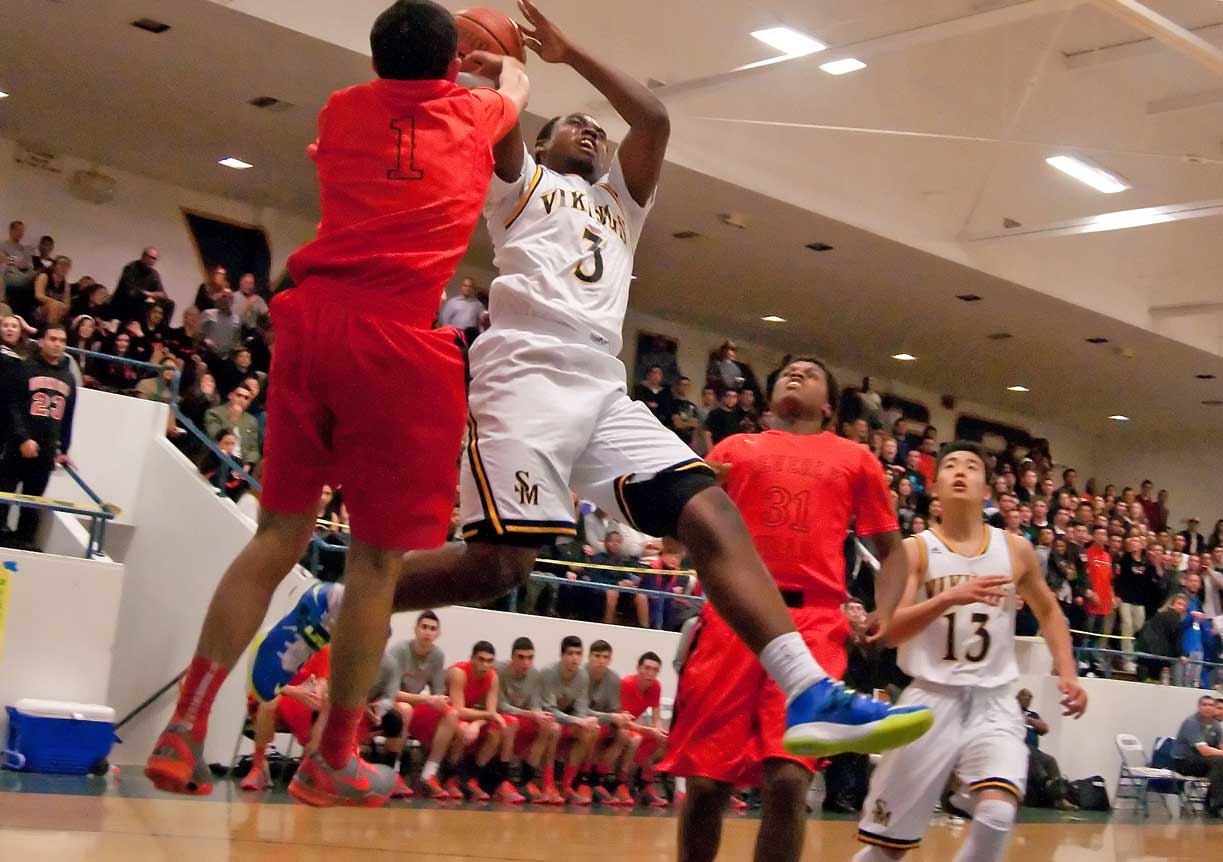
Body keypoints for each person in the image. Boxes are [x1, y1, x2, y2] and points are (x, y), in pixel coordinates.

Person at [391, 0, 923, 785]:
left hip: (601, 390)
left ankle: (807, 689)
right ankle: (340, 602)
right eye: (572, 124)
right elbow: (502, 116)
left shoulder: (622, 206)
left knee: (710, 516)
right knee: (498, 567)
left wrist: (572, 55)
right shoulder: (518, 184)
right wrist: (506, 75)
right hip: (527, 377)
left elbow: (654, 117)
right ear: (538, 140)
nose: (591, 131)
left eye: (593, 129)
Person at [144, 0, 530, 808]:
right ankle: (334, 758)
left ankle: (182, 729)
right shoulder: (474, 118)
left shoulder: (341, 109)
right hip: (392, 343)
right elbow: (517, 89)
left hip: (311, 327)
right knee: (375, 566)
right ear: (450, 63)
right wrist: (498, 63)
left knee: (276, 536)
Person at [667, 358, 931, 862]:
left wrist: (885, 609)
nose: (796, 374)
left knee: (788, 781)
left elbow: (893, 550)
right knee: (703, 785)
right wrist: (678, 498)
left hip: (813, 623)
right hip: (731, 618)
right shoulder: (730, 449)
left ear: (829, 404)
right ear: (768, 397)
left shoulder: (856, 459)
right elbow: (676, 536)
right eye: (788, 371)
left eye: (810, 373)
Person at [854, 441, 1086, 862]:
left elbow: (1051, 613)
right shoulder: (916, 550)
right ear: (935, 486)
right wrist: (948, 598)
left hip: (994, 701)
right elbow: (890, 631)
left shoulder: (1014, 549)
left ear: (987, 490)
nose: (961, 471)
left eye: (972, 466)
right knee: (885, 851)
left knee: (997, 814)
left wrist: (1067, 672)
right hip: (929, 700)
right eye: (951, 466)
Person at [0, 324, 76, 550]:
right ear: (42, 341)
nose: (57, 344)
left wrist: (64, 450)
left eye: (61, 340)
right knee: (5, 492)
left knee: (34, 500)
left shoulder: (69, 378)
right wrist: (23, 437)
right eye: (52, 339)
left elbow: (68, 417)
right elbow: (11, 405)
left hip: (46, 450)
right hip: (17, 446)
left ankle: (24, 541)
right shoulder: (25, 368)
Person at [379, 612, 461, 798]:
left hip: (415, 705)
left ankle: (429, 775)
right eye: (424, 627)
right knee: (405, 709)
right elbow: (391, 693)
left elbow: (438, 693)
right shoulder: (399, 650)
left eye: (432, 629)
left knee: (452, 714)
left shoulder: (438, 655)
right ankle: (394, 773)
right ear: (416, 629)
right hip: (389, 705)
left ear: (437, 633)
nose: (427, 632)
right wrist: (427, 700)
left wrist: (440, 701)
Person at [445, 641, 521, 802]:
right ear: (471, 659)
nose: (485, 665)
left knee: (508, 724)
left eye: (489, 661)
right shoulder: (458, 672)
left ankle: (484, 780)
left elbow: (491, 713)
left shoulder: (493, 676)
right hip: (447, 716)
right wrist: (479, 720)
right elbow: (458, 710)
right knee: (463, 728)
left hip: (472, 717)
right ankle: (449, 779)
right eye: (481, 659)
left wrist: (477, 723)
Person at [497, 636, 563, 803]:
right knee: (512, 722)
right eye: (521, 657)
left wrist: (540, 715)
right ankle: (504, 781)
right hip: (498, 718)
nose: (526, 662)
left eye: (530, 658)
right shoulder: (499, 671)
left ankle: (528, 781)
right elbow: (501, 706)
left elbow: (534, 705)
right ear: (512, 657)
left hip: (520, 718)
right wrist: (532, 714)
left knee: (552, 727)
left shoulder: (535, 674)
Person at [540, 635, 601, 804]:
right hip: (543, 719)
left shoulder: (583, 676)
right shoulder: (548, 673)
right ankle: (547, 784)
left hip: (566, 720)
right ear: (562, 656)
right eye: (570, 653)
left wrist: (582, 721)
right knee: (554, 728)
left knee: (591, 731)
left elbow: (581, 708)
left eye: (578, 654)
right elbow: (549, 709)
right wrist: (578, 720)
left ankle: (567, 785)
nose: (575, 658)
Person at [620, 651, 668, 807]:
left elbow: (656, 718)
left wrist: (660, 733)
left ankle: (645, 785)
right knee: (637, 739)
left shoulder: (656, 686)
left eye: (654, 670)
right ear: (638, 668)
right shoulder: (627, 684)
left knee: (665, 739)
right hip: (619, 726)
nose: (650, 673)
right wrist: (651, 731)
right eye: (647, 668)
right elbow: (624, 721)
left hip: (635, 727)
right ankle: (624, 784)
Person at [1017, 689, 1072, 810]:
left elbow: (1044, 729)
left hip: (1034, 753)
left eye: (1030, 697)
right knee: (1027, 749)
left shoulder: (1032, 715)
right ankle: (1047, 782)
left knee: (1050, 760)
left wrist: (1029, 720)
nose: (1027, 699)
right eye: (1025, 696)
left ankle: (1060, 799)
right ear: (1018, 698)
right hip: (1016, 750)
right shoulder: (1011, 712)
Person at [1172, 695, 1223, 817]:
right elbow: (1204, 750)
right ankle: (1214, 803)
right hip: (1183, 762)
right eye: (1204, 705)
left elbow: (1221, 746)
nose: (1208, 708)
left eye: (1211, 705)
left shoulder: (1216, 725)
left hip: (1203, 761)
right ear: (1199, 707)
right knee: (1219, 763)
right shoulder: (1192, 722)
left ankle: (1213, 804)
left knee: (1219, 764)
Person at [112, 247, 171, 324]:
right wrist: (150, 294)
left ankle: (160, 331)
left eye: (155, 259)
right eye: (151, 257)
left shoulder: (153, 274)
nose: (152, 261)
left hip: (141, 304)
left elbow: (161, 292)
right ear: (144, 256)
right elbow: (129, 290)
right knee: (133, 299)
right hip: (123, 303)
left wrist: (161, 295)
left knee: (170, 304)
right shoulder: (131, 268)